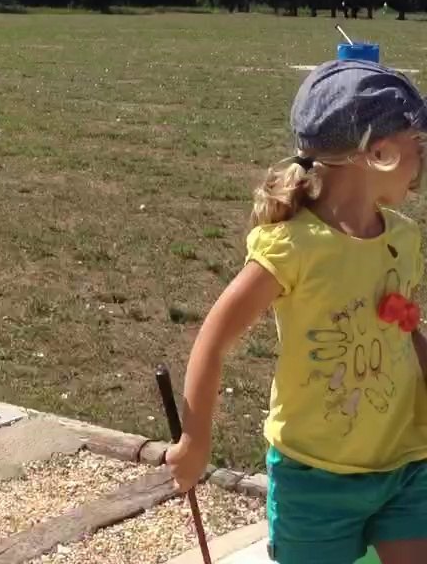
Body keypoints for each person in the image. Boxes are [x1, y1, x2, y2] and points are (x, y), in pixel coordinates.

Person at [165, 59, 427, 564]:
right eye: (417, 143)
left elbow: (405, 329)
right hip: (314, 479)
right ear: (378, 152)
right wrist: (195, 441)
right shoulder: (293, 248)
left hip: (407, 464)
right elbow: (214, 339)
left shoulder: (404, 238)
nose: (422, 158)